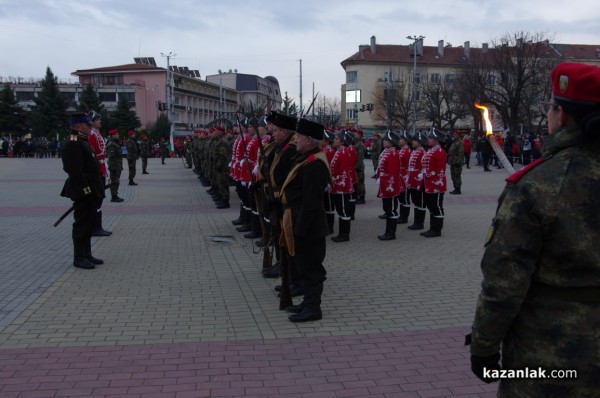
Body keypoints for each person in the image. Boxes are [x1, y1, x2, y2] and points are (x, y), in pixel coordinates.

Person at [468, 62, 600, 396]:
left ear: (562, 115)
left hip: (551, 353)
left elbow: (505, 281)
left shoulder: (538, 184)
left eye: (551, 108)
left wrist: (484, 345)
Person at [280, 118, 331, 322]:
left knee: (311, 268)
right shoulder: (304, 158)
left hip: (308, 225)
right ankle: (307, 303)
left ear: (309, 140)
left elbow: (311, 203)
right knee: (304, 265)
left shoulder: (313, 165)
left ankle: (313, 308)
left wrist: (301, 229)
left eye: (299, 137)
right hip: (298, 220)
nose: (296, 141)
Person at [60, 113, 104, 269]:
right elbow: (74, 171)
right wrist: (86, 190)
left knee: (89, 223)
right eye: (87, 125)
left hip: (91, 188)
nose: (90, 127)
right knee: (82, 224)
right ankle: (79, 257)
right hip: (83, 190)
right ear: (77, 126)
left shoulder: (81, 141)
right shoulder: (73, 143)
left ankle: (87, 254)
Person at [87, 111, 111, 237]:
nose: (99, 121)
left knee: (100, 198)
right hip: (96, 168)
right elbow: (92, 154)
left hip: (101, 167)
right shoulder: (92, 135)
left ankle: (98, 226)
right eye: (97, 119)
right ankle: (95, 227)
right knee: (97, 198)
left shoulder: (96, 134)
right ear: (92, 122)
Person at [420, 128, 447, 237]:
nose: (429, 139)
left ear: (437, 139)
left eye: (431, 138)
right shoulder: (431, 150)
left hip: (436, 183)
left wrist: (433, 178)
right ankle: (432, 228)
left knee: (437, 206)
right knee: (431, 206)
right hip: (428, 183)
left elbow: (440, 169)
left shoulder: (439, 151)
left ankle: (437, 230)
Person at [375, 131, 401, 240]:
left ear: (391, 142)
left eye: (385, 140)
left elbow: (392, 173)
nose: (383, 141)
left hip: (390, 185)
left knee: (391, 209)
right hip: (385, 183)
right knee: (387, 208)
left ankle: (391, 233)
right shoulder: (389, 152)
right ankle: (388, 232)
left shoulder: (393, 154)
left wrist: (389, 186)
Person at [406, 131, 427, 230]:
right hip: (412, 179)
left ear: (420, 142)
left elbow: (422, 168)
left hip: (418, 180)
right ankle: (416, 221)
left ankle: (420, 223)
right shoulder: (415, 151)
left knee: (420, 201)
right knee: (415, 201)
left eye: (415, 140)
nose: (413, 142)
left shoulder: (422, 152)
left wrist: (419, 180)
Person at [105, 129, 124, 202]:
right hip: (114, 166)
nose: (118, 135)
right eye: (116, 134)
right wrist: (113, 168)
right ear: (113, 135)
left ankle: (115, 195)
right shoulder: (112, 144)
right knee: (114, 181)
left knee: (116, 181)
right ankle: (113, 196)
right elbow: (111, 157)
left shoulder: (115, 143)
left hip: (117, 165)